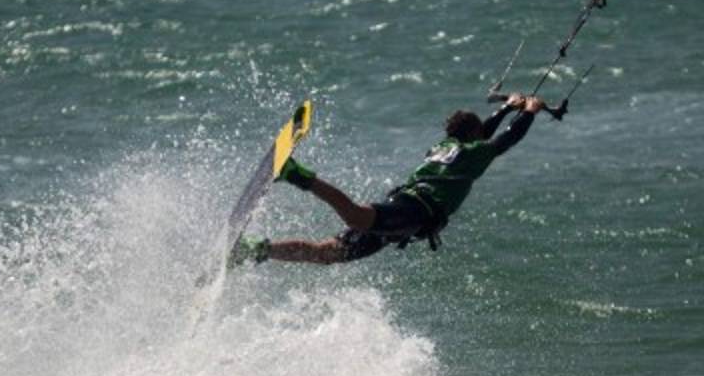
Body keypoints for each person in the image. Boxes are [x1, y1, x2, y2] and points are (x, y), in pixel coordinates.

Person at [231, 93, 546, 266]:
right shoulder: (472, 153)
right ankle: (296, 175)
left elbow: (483, 133)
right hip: (414, 212)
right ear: (475, 136)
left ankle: (257, 249)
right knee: (356, 216)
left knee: (328, 253)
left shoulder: (447, 146)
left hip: (403, 211)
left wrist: (507, 107)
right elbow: (505, 139)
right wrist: (529, 112)